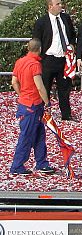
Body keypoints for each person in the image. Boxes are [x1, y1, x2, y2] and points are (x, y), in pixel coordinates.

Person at [10, 40, 55, 176]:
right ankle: (17, 166)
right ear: (39, 49)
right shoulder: (35, 65)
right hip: (33, 105)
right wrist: (47, 103)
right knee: (27, 136)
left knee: (38, 135)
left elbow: (14, 82)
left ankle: (42, 163)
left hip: (25, 104)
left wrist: (21, 94)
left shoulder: (20, 61)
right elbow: (40, 87)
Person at [32, 0, 76, 121]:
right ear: (50, 6)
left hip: (63, 59)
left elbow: (72, 34)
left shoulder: (65, 18)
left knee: (65, 88)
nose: (61, 6)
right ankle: (42, 113)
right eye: (58, 4)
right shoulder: (41, 22)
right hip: (48, 59)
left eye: (61, 3)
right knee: (45, 87)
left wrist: (72, 45)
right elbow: (37, 40)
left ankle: (66, 115)